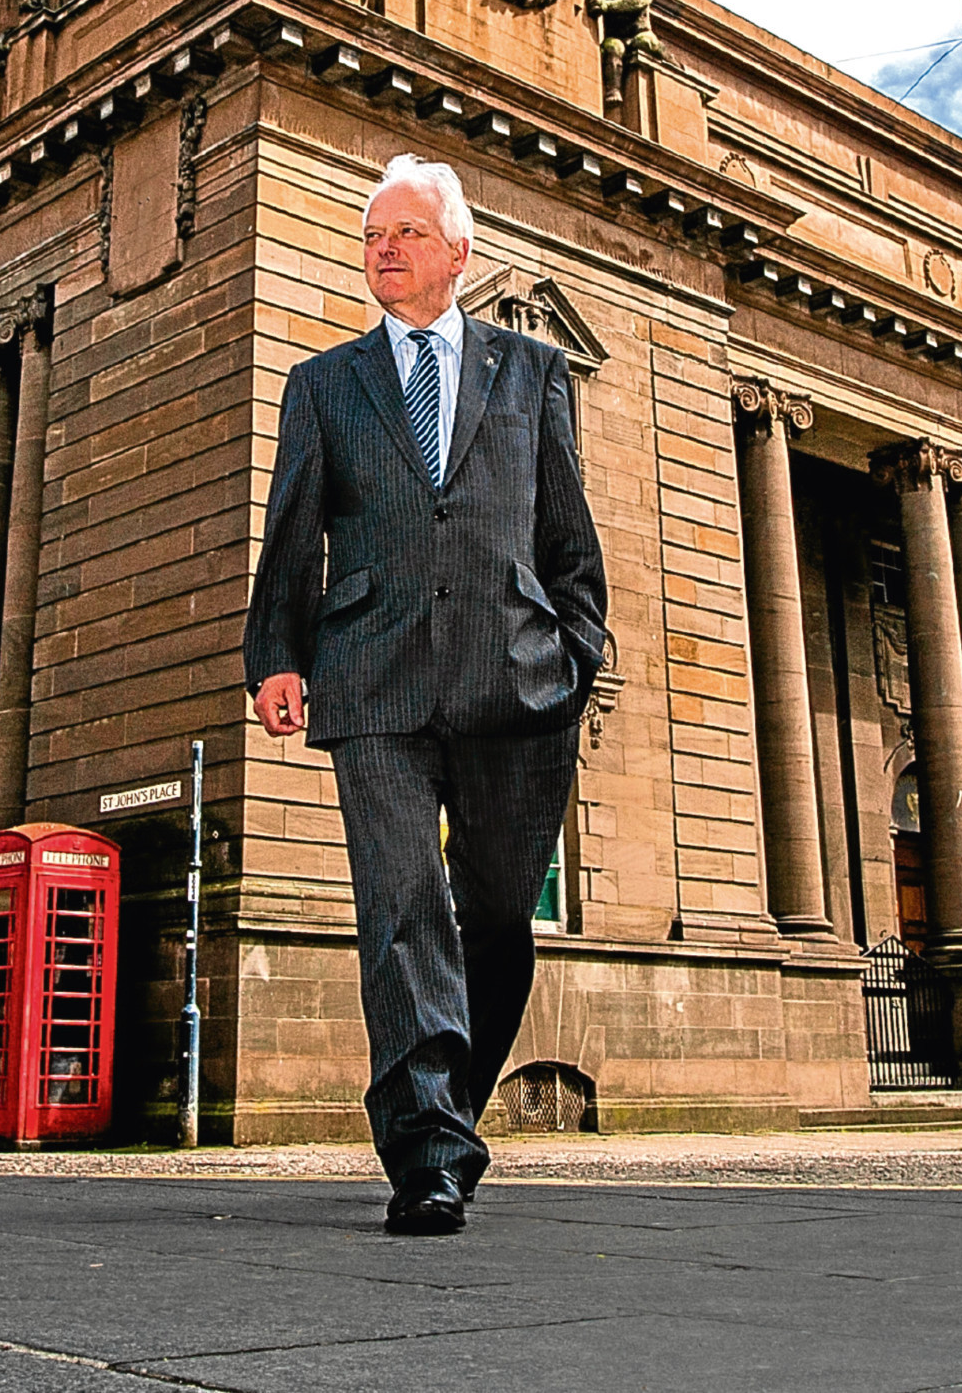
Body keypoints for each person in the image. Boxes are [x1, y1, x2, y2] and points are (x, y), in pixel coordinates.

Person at [243, 152, 608, 1236]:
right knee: (403, 911)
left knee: (495, 916)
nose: (384, 249)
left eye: (405, 232)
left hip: (517, 680)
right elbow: (292, 530)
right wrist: (276, 654)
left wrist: (579, 650)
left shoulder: (534, 373)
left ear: (458, 251)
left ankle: (450, 1093)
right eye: (371, 236)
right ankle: (429, 1148)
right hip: (376, 681)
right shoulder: (324, 384)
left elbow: (566, 530)